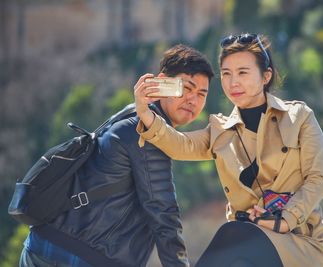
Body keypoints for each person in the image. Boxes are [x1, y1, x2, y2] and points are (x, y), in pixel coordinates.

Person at [134, 33, 323, 266]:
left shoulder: (299, 117)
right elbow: (180, 145)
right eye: (226, 74)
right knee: (236, 233)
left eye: (242, 73)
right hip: (246, 246)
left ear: (265, 76)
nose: (233, 82)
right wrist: (145, 113)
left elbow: (318, 179)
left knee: (234, 233)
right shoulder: (219, 131)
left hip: (299, 243)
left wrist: (285, 220)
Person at [19, 44, 214, 267]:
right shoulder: (146, 133)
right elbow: (163, 211)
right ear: (162, 83)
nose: (193, 100)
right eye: (187, 88)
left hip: (41, 245)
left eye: (201, 94)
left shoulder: (127, 115)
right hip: (81, 257)